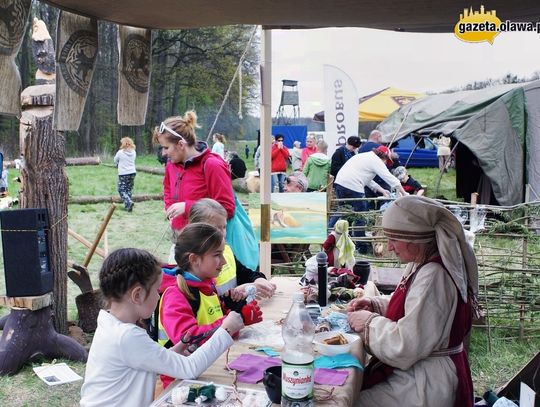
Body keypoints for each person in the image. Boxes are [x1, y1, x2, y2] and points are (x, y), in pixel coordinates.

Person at [347, 195, 478, 407]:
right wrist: (378, 305)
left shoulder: (434, 275)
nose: (389, 247)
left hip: (425, 382)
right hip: (420, 369)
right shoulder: (422, 263)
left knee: (352, 402)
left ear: (416, 238)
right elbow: (421, 313)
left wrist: (369, 322)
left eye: (394, 239)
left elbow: (406, 345)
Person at [80, 248, 243, 407]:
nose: (158, 296)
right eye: (157, 291)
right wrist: (225, 330)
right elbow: (189, 369)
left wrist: (177, 349)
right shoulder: (126, 336)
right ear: (137, 295)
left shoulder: (110, 324)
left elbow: (147, 359)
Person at [158, 223, 263, 388]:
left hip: (208, 370)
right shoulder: (176, 295)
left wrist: (235, 309)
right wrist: (229, 324)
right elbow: (188, 341)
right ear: (194, 259)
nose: (223, 260)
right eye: (217, 255)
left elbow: (211, 324)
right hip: (180, 383)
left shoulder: (206, 286)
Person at [153, 111, 235, 232]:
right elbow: (168, 189)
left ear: (181, 144)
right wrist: (170, 209)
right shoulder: (172, 164)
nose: (163, 153)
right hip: (180, 235)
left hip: (206, 240)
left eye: (166, 147)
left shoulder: (212, 165)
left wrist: (188, 207)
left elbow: (226, 208)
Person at [187, 198, 276, 298]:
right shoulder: (196, 262)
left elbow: (245, 274)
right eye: (216, 228)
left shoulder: (226, 251)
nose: (222, 233)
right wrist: (240, 290)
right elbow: (207, 302)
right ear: (196, 228)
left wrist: (259, 279)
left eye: (224, 227)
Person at [332, 146, 407, 253]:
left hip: (340, 183)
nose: (386, 164)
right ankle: (361, 246)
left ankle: (331, 234)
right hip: (353, 186)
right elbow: (389, 177)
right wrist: (404, 193)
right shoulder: (376, 161)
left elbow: (367, 180)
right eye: (387, 161)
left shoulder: (365, 157)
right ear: (384, 157)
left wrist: (382, 190)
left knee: (344, 211)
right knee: (360, 216)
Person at [113, 137, 137, 212]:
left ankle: (128, 202)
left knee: (121, 190)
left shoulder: (120, 152)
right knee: (128, 189)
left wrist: (117, 164)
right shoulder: (133, 152)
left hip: (123, 174)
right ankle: (128, 206)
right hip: (132, 172)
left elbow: (115, 160)